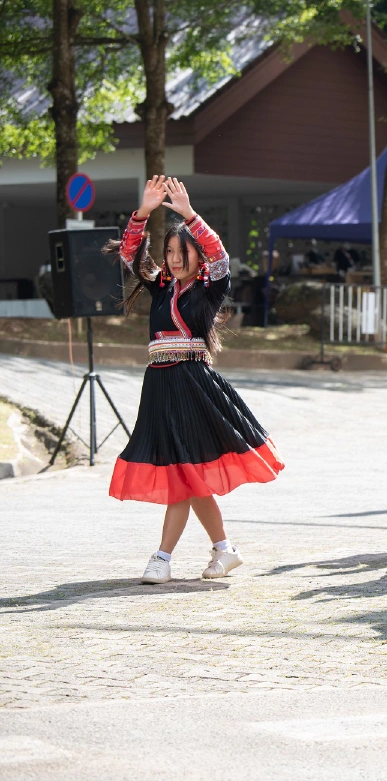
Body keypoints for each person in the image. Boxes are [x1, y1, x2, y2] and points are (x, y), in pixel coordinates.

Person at [107, 176, 284, 584]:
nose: (173, 259)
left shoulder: (209, 288)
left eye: (181, 251)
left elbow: (220, 256)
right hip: (159, 387)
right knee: (189, 476)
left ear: (196, 256)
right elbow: (131, 255)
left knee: (182, 475)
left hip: (193, 388)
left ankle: (162, 557)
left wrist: (189, 215)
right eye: (168, 251)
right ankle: (224, 550)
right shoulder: (160, 287)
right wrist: (143, 212)